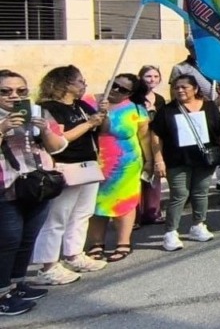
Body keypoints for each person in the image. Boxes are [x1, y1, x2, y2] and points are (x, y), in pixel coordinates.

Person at [0, 70, 69, 314]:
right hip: (5, 188)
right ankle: (1, 293)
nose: (14, 96)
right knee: (7, 241)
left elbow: (59, 146)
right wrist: (3, 128)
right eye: (5, 92)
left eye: (21, 91)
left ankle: (17, 284)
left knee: (27, 237)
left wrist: (46, 130)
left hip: (36, 185)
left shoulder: (37, 112)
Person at [31, 66, 106, 285]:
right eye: (80, 81)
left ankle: (74, 255)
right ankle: (48, 266)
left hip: (88, 162)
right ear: (65, 84)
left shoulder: (82, 106)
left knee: (82, 213)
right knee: (57, 218)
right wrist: (89, 123)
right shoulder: (48, 108)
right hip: (64, 164)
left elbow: (96, 131)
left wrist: (100, 117)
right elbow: (58, 138)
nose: (84, 85)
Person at [149, 74, 220, 251]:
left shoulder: (209, 107)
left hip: (205, 158)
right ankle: (170, 232)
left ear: (195, 89)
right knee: (179, 195)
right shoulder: (167, 110)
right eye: (177, 87)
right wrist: (158, 159)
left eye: (184, 87)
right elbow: (156, 135)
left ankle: (198, 225)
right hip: (177, 159)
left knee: (201, 192)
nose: (180, 90)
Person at [85, 73, 152, 263]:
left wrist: (149, 161)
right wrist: (100, 112)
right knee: (96, 203)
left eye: (122, 89)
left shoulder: (136, 109)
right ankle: (96, 243)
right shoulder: (88, 101)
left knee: (124, 202)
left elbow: (145, 137)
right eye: (114, 85)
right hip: (95, 160)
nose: (115, 90)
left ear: (130, 93)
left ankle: (124, 242)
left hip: (127, 163)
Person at [135, 65, 166, 227]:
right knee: (138, 178)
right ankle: (135, 216)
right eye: (148, 76)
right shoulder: (134, 99)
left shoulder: (159, 99)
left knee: (154, 175)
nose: (152, 80)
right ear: (140, 78)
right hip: (138, 141)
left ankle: (153, 211)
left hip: (155, 140)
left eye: (155, 76)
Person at [169, 36, 220, 103]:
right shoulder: (179, 68)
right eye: (195, 48)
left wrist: (218, 101)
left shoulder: (214, 65)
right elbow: (174, 93)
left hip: (217, 106)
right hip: (194, 108)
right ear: (189, 48)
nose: (199, 50)